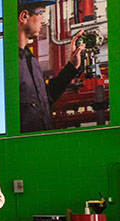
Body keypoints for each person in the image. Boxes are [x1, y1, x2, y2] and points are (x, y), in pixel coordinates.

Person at [18, 0, 85, 132]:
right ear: (24, 16)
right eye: (40, 13)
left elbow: (46, 97)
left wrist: (71, 66)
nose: (43, 21)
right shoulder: (8, 63)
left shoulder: (30, 59)